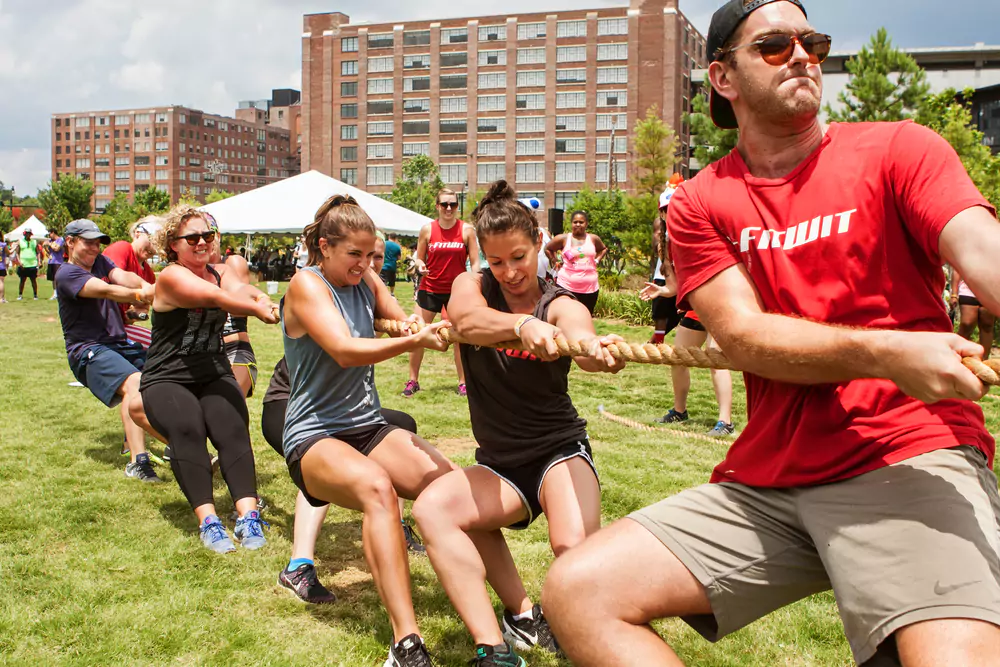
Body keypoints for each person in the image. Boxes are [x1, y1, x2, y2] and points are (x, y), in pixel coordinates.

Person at [543, 2, 1000, 666]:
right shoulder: (700, 200)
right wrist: (885, 350)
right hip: (772, 478)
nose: (804, 56)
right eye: (776, 45)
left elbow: (985, 252)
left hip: (908, 452)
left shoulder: (901, 147)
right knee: (579, 591)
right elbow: (743, 335)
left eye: (813, 42)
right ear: (723, 77)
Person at [412, 181, 626, 667]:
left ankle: (596, 627)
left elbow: (581, 340)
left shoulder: (560, 302)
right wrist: (522, 326)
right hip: (500, 464)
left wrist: (599, 354)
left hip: (558, 451)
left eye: (519, 257)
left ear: (538, 246)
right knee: (433, 511)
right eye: (497, 261)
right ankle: (501, 641)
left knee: (573, 552)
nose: (509, 272)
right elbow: (466, 320)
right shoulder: (473, 286)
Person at [280, 193, 459, 666]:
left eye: (370, 254)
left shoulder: (364, 279)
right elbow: (343, 350)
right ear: (324, 247)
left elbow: (400, 318)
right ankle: (406, 642)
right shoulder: (306, 284)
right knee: (379, 490)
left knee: (451, 485)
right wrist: (414, 341)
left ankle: (510, 613)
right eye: (354, 254)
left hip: (366, 424)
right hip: (313, 434)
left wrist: (419, 327)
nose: (364, 264)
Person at [133, 204, 278, 554]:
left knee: (232, 428)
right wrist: (255, 309)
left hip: (213, 370)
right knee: (188, 429)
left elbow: (238, 289)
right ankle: (209, 522)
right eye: (192, 237)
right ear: (173, 245)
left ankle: (248, 515)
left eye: (207, 235)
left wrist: (262, 298)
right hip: (168, 377)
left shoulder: (220, 270)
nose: (202, 242)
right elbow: (216, 297)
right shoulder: (171, 277)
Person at [261, 358, 425, 604]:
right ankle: (298, 566)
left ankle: (396, 527)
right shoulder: (330, 330)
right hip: (290, 405)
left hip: (339, 409)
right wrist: (413, 340)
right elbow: (345, 352)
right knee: (327, 455)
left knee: (402, 424)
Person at [54, 219, 160, 482]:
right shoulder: (67, 274)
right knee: (135, 383)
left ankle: (152, 444)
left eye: (97, 243)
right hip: (88, 349)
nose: (94, 248)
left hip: (118, 343)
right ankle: (142, 460)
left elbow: (123, 277)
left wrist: (147, 286)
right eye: (88, 242)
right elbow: (107, 290)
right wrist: (142, 295)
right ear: (70, 242)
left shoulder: (100, 262)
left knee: (164, 377)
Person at [403, 188, 479, 398]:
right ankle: (412, 380)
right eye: (444, 204)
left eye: (453, 204)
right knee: (418, 333)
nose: (448, 208)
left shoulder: (467, 230)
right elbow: (419, 258)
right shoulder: (427, 230)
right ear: (437, 206)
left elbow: (475, 262)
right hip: (430, 288)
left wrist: (475, 282)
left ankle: (463, 382)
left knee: (459, 337)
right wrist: (420, 265)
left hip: (457, 292)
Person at [654, 311, 735, 435]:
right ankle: (679, 412)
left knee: (716, 362)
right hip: (697, 312)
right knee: (678, 357)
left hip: (720, 312)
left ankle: (725, 422)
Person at [103, 217, 160, 350]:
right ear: (137, 233)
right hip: (103, 327)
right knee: (160, 348)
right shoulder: (122, 248)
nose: (153, 248)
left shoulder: (149, 274)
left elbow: (130, 316)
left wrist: (134, 314)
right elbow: (115, 282)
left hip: (120, 327)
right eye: (151, 240)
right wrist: (140, 294)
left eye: (158, 243)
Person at [545, 211, 607, 314]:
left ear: (586, 224)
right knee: (566, 316)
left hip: (590, 288)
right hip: (566, 286)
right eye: (575, 222)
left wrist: (597, 260)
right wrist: (555, 261)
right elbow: (548, 249)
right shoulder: (563, 239)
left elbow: (603, 249)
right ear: (571, 223)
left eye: (581, 222)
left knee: (586, 316)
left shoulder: (593, 239)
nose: (578, 224)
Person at [647, 180, 684, 343]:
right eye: (669, 210)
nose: (674, 213)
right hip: (664, 277)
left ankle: (654, 342)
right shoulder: (664, 240)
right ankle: (657, 343)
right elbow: (656, 243)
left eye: (678, 208)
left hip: (688, 284)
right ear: (662, 213)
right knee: (661, 314)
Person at [951, 268, 994, 359]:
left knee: (987, 325)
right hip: (968, 289)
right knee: (967, 324)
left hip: (990, 289)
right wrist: (954, 294)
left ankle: (984, 360)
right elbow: (957, 269)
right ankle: (955, 355)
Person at [13, 228, 43, 300]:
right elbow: (17, 253)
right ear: (24, 233)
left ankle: (35, 295)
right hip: (23, 264)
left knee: (33, 280)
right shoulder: (20, 241)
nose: (28, 234)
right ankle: (20, 295)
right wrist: (19, 262)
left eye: (29, 233)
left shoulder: (34, 242)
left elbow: (38, 252)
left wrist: (39, 261)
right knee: (22, 280)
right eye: (26, 233)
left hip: (32, 264)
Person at [44, 229, 66, 300]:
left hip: (58, 262)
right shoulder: (51, 241)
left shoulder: (60, 240)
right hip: (51, 261)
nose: (49, 236)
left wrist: (49, 244)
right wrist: (45, 247)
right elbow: (49, 251)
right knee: (53, 278)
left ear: (53, 233)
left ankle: (61, 293)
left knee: (58, 278)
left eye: (50, 234)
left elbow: (57, 249)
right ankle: (55, 293)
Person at [0, 238, 8, 303]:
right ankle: (1, 298)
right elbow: (9, 253)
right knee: (1, 282)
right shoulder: (3, 244)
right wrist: (14, 247)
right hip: (1, 265)